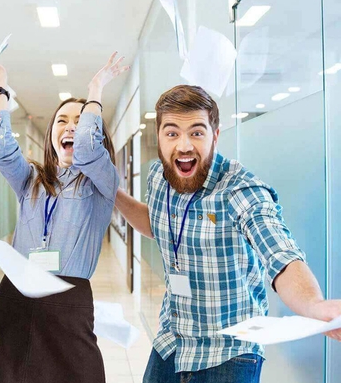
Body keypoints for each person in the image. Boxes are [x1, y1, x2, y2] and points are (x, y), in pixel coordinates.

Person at [114, 85, 341, 383]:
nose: (183, 146)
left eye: (196, 132)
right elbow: (155, 224)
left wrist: (313, 304)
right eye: (172, 133)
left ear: (215, 136)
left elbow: (279, 253)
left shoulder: (241, 190)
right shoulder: (159, 176)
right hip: (172, 340)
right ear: (159, 137)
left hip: (230, 352)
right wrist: (112, 194)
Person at [0, 47, 127, 383]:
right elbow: (1, 145)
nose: (71, 127)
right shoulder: (31, 180)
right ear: (51, 135)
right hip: (15, 296)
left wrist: (95, 91)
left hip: (68, 301)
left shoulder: (102, 180)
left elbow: (86, 149)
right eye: (62, 121)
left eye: (79, 121)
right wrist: (0, 83)